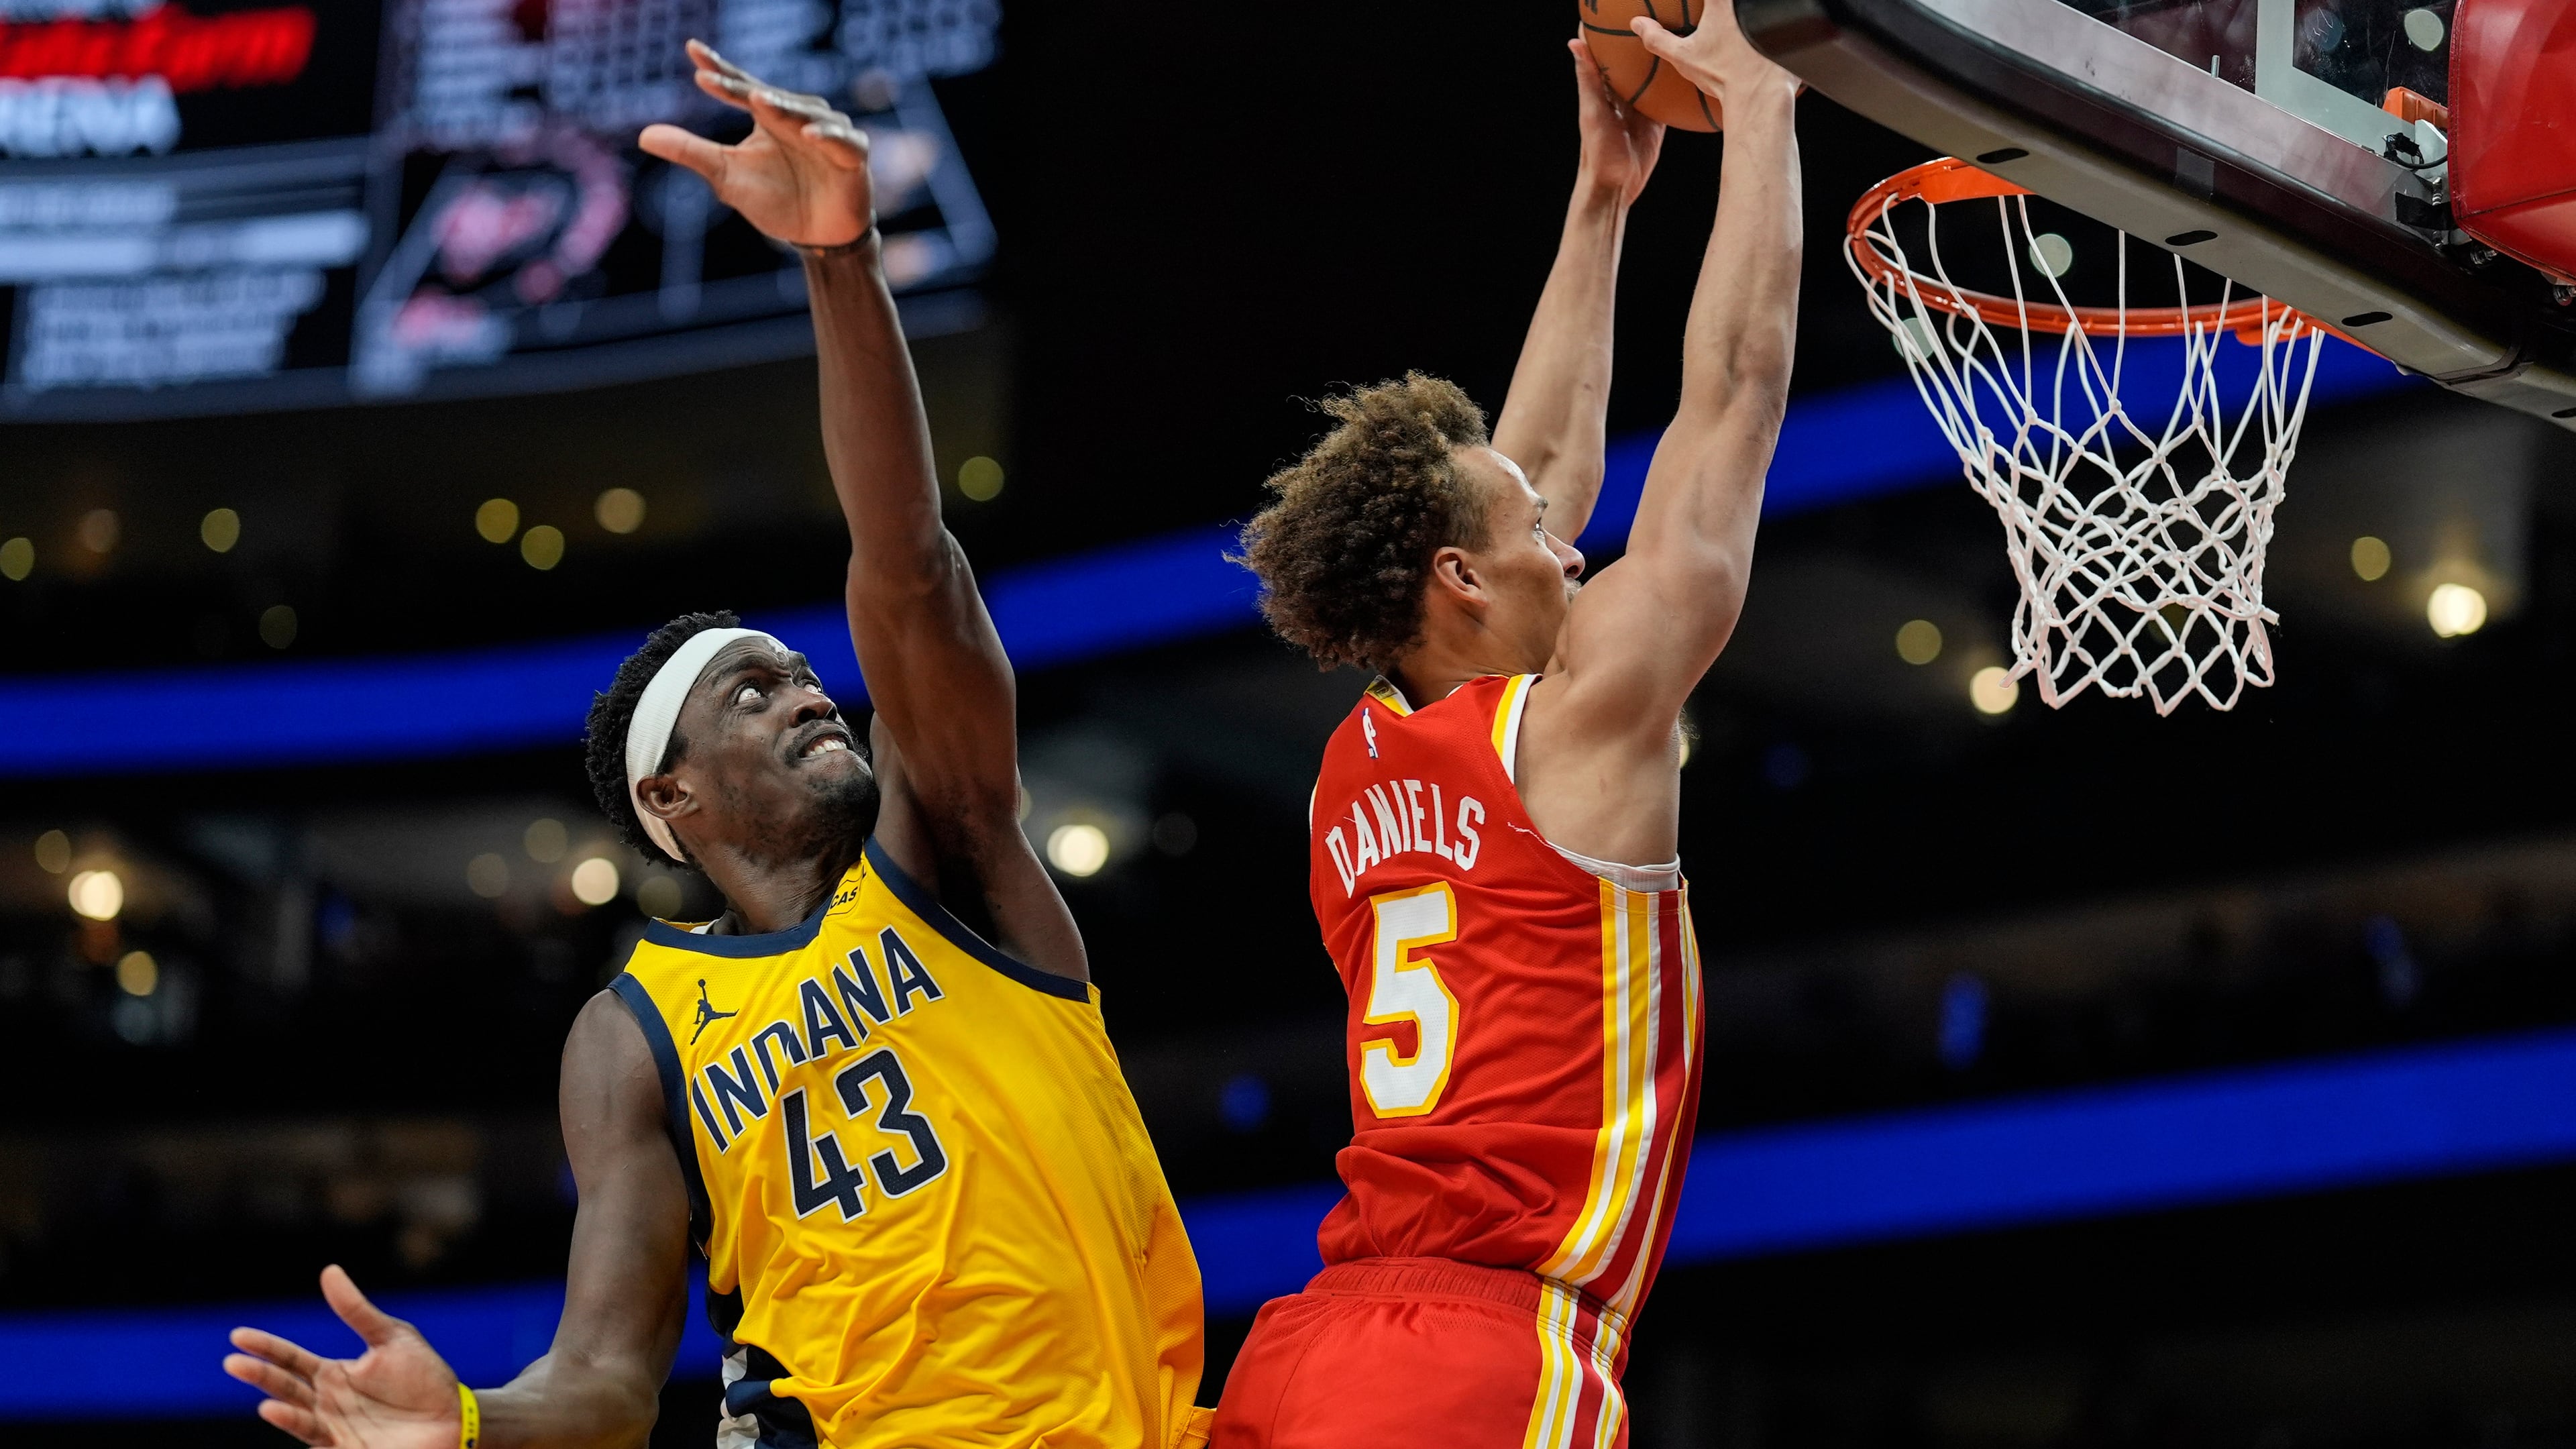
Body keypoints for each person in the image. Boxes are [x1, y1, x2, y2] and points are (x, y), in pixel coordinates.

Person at [221, 42, 1210, 1449]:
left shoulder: (946, 850)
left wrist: (842, 261)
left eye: (803, 675)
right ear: (669, 794)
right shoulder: (635, 1036)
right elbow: (609, 1381)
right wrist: (467, 1424)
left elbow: (910, 567)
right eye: (752, 693)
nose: (808, 694)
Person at [1214, 13, 1801, 1448]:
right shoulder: (1586, 719)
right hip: (1485, 1354)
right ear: (1464, 581)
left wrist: (1604, 200)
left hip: (1303, 1356)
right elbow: (1734, 394)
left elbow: (1518, 481)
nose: (1575, 543)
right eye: (1546, 537)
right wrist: (1769, 94)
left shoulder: (1354, 765)